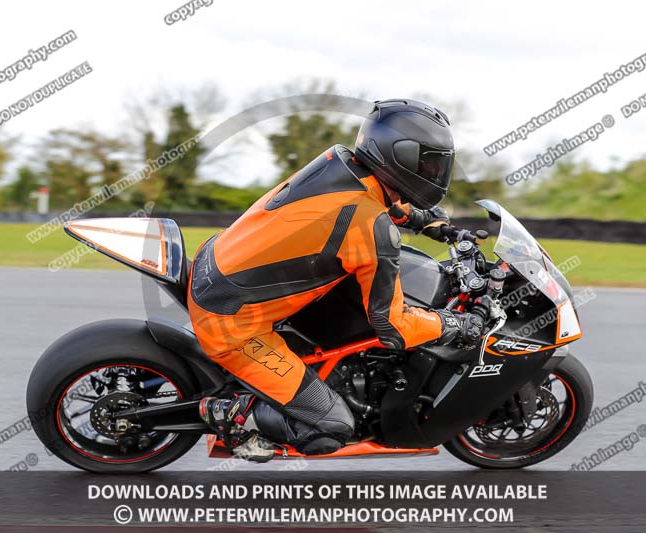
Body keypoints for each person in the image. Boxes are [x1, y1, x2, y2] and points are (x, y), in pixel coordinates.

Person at [187, 99, 485, 462]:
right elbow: (393, 327)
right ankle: (228, 412)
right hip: (232, 325)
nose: (437, 172)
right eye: (431, 164)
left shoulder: (338, 164)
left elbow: (372, 203)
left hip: (215, 265)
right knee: (332, 428)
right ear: (402, 158)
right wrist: (454, 323)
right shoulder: (372, 229)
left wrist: (428, 221)